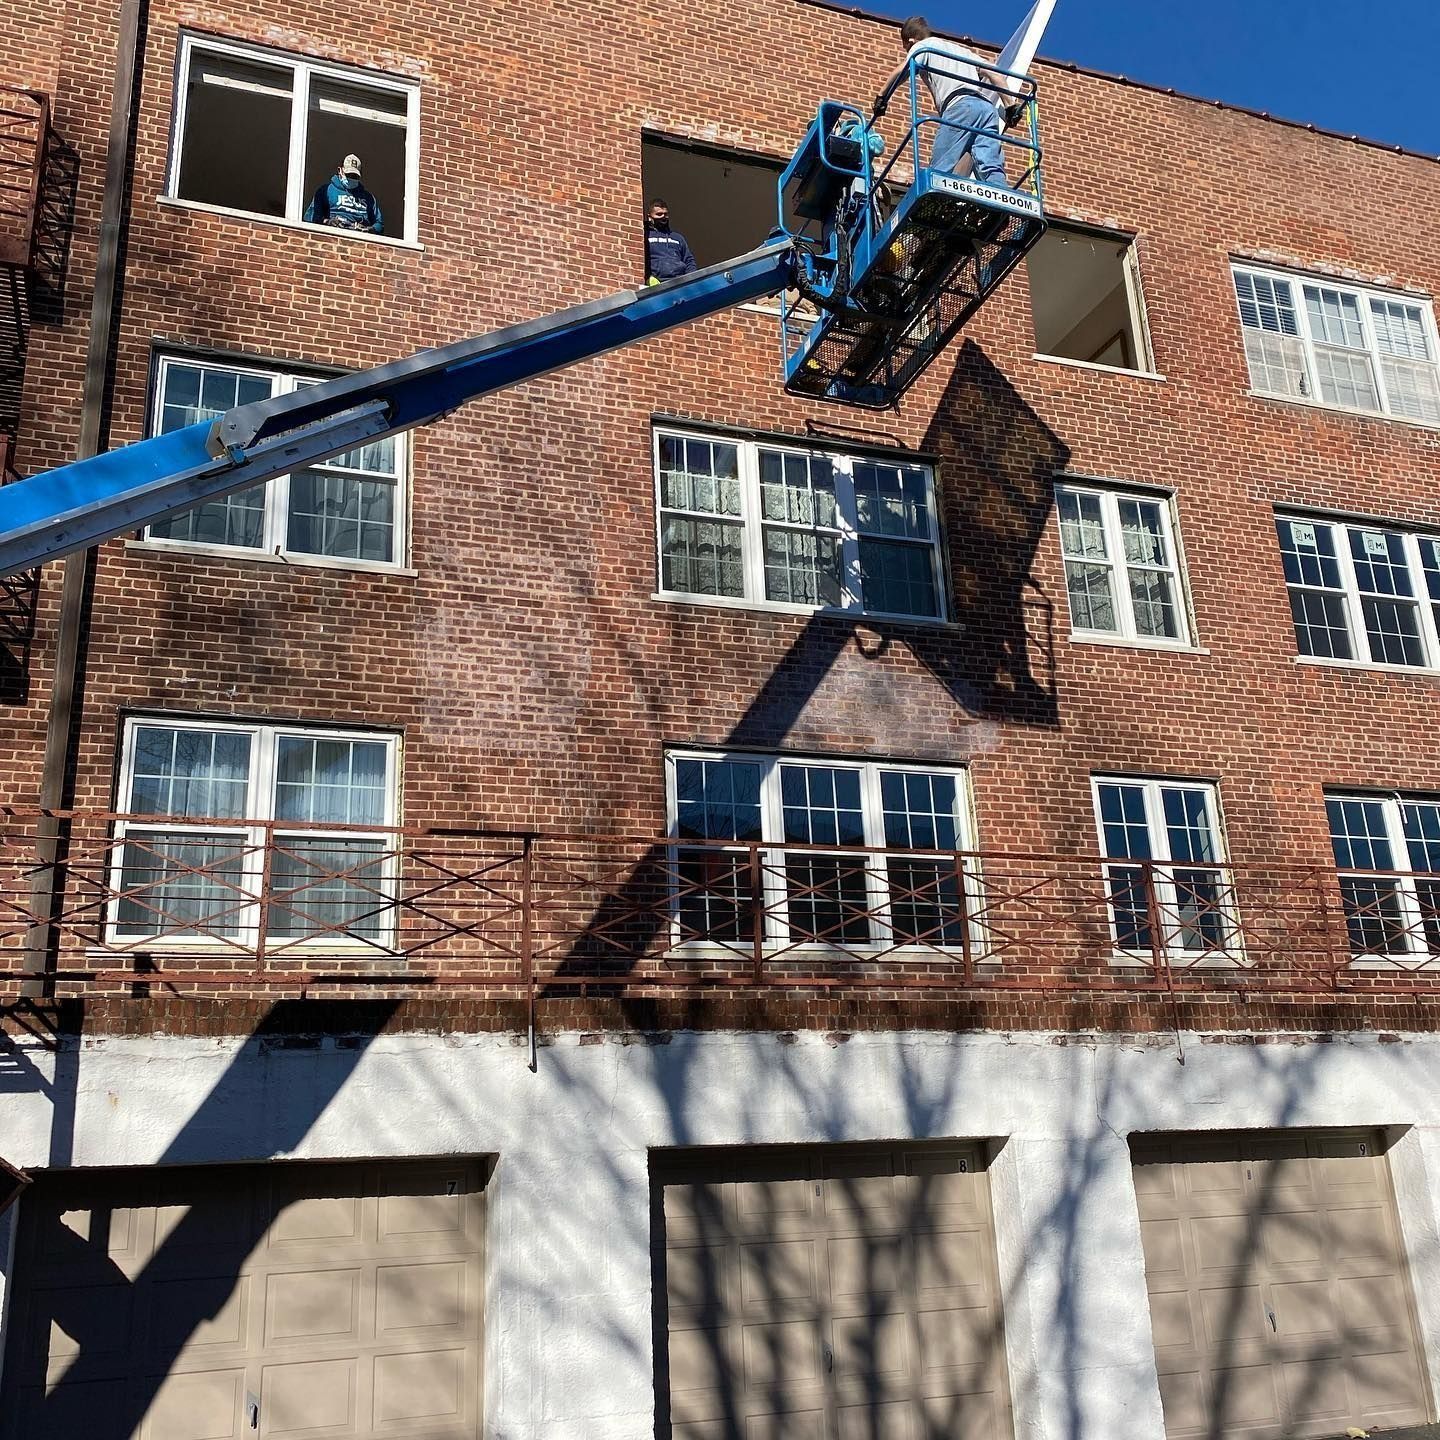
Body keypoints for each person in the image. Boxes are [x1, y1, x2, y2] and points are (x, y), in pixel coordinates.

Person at [875, 16, 1007, 189]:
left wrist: (881, 96)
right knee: (989, 162)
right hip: (986, 108)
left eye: (906, 47)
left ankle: (935, 198)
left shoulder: (922, 46)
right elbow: (995, 74)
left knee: (940, 168)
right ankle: (1000, 195)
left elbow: (902, 70)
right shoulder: (961, 51)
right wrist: (1010, 105)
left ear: (911, 40)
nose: (908, 51)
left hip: (960, 107)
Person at [304, 154, 384, 234]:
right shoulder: (326, 190)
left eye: (354, 176)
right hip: (334, 236)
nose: (351, 178)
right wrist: (328, 222)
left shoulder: (368, 198)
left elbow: (379, 224)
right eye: (348, 175)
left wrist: (370, 229)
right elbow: (310, 217)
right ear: (340, 171)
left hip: (359, 238)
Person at [644, 200, 697, 284]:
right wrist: (647, 278)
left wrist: (690, 278)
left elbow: (689, 260)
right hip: (656, 283)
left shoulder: (678, 238)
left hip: (679, 281)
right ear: (649, 217)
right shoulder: (645, 235)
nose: (663, 217)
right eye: (659, 214)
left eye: (665, 214)